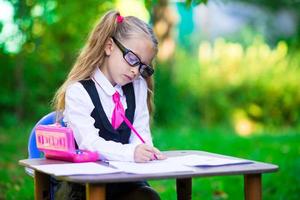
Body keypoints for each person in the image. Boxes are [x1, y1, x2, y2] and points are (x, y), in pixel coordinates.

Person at [52, 10, 166, 200]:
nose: (135, 71)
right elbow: (90, 144)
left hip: (124, 181)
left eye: (142, 66)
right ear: (109, 46)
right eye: (132, 59)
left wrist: (145, 150)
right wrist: (132, 152)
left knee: (148, 197)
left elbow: (141, 135)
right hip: (84, 185)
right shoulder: (79, 91)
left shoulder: (137, 87)